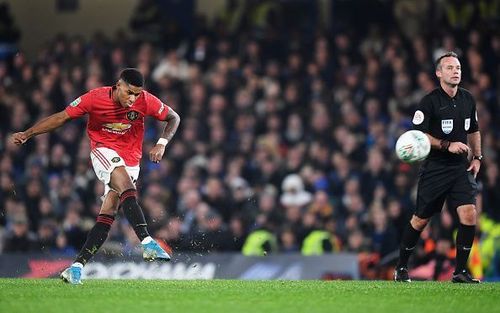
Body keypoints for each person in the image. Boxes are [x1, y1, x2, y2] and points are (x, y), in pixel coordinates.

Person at [12, 68, 181, 284]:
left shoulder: (145, 100)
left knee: (108, 213)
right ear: (118, 85)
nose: (133, 98)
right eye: (129, 92)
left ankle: (75, 267)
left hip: (131, 159)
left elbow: (173, 117)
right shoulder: (95, 98)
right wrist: (27, 134)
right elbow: (62, 117)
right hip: (103, 150)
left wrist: (161, 143)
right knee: (127, 187)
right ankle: (147, 242)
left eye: (137, 94)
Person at [394, 52, 482, 283]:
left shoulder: (468, 99)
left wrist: (478, 157)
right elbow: (418, 134)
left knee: (469, 214)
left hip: (460, 169)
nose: (456, 71)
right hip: (435, 167)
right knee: (420, 220)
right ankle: (401, 268)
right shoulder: (429, 101)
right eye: (450, 67)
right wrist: (447, 144)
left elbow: (473, 130)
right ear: (439, 73)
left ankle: (460, 272)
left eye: (459, 68)